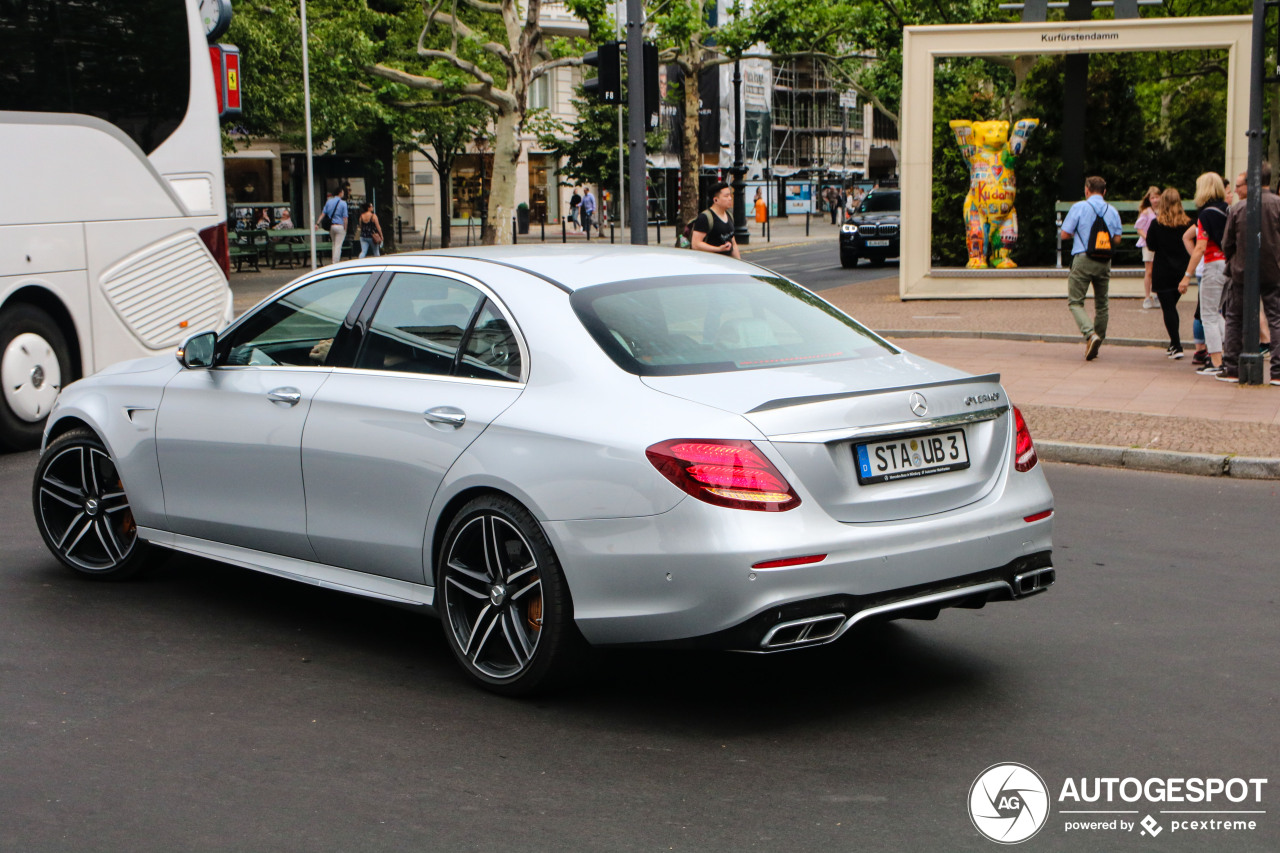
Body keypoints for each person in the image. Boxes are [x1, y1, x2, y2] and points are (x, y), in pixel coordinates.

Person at [1219, 164, 1280, 385]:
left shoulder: (1239, 208)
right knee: (1276, 318)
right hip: (1273, 269)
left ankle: (1233, 368)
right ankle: (1277, 371)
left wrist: (1233, 258)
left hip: (1242, 269)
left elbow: (1227, 243)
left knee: (1234, 317)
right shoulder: (1278, 205)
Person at [1059, 175, 1123, 360]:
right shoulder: (1112, 210)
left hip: (1083, 258)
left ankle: (1090, 334)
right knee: (1102, 304)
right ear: (1104, 192)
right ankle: (1098, 341)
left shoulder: (1079, 207)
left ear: (1087, 190)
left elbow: (1064, 234)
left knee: (1075, 302)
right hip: (1104, 261)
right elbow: (1117, 239)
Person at [1180, 173, 1229, 374]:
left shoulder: (1205, 215)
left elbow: (1200, 247)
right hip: (1228, 264)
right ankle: (1228, 354)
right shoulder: (1228, 209)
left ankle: (1216, 361)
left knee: (1208, 314)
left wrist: (1187, 275)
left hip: (1213, 264)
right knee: (1217, 313)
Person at [1144, 187, 1193, 359]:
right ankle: (1173, 344)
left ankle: (1177, 344)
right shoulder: (1188, 223)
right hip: (1182, 270)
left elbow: (1151, 245)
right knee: (1172, 307)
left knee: (1169, 309)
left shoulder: (1156, 224)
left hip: (1163, 269)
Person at [690, 182, 741, 260]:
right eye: (726, 196)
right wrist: (718, 249)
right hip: (709, 264)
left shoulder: (729, 215)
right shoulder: (705, 218)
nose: (730, 198)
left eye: (730, 195)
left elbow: (733, 243)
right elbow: (695, 244)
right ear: (716, 200)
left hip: (727, 264)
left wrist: (739, 263)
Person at [1135, 186, 1160, 309]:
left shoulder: (1163, 211)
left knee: (1157, 270)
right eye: (1153, 197)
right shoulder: (1146, 212)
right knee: (1149, 270)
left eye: (1157, 197)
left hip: (1159, 244)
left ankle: (1156, 294)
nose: (1155, 200)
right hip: (1148, 244)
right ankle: (1147, 296)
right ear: (1149, 199)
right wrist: (1148, 238)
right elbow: (1139, 228)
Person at [317, 187, 348, 265]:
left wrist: (317, 223)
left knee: (334, 244)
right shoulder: (343, 203)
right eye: (343, 192)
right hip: (340, 225)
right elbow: (345, 218)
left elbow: (323, 214)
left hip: (331, 226)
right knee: (338, 245)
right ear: (340, 193)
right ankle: (335, 262)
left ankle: (333, 260)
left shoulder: (329, 202)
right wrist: (345, 228)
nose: (343, 194)